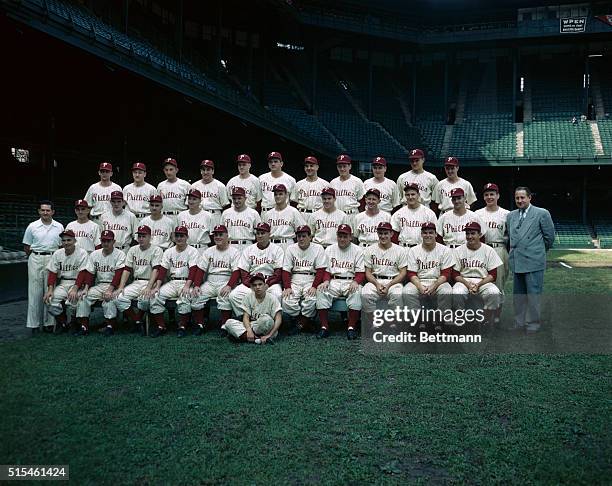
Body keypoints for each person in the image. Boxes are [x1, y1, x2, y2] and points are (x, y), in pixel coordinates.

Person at [507, 186, 555, 333]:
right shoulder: (511, 216)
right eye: (517, 198)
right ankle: (519, 323)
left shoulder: (542, 213)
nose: (520, 200)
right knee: (518, 296)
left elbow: (549, 238)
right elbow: (510, 238)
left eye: (522, 197)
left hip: (534, 261)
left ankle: (533, 324)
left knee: (533, 296)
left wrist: (537, 252)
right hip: (517, 261)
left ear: (529, 198)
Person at [148, 226, 200, 338]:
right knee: (155, 295)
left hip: (186, 281)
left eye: (182, 235)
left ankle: (182, 326)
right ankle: (161, 326)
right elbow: (162, 270)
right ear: (173, 237)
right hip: (172, 282)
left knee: (185, 297)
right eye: (177, 235)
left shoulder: (193, 251)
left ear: (187, 237)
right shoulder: (169, 251)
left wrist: (187, 285)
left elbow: (193, 270)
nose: (179, 238)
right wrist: (157, 286)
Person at [316, 224, 365, 340]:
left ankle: (351, 327)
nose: (342, 239)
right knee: (321, 290)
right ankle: (324, 327)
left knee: (357, 292)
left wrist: (356, 282)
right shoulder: (329, 249)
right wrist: (326, 281)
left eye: (345, 236)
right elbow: (326, 270)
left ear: (350, 237)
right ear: (336, 236)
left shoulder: (358, 250)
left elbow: (361, 272)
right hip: (334, 280)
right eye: (340, 236)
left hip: (350, 281)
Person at [403, 223, 454, 332]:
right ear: (421, 234)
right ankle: (418, 319)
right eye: (425, 233)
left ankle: (440, 320)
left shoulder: (445, 250)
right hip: (419, 281)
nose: (428, 235)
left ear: (436, 234)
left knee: (447, 290)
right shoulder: (413, 250)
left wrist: (434, 286)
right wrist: (420, 287)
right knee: (407, 291)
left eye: (431, 232)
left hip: (438, 281)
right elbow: (411, 273)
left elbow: (446, 273)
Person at [74, 230, 126, 336]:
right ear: (100, 241)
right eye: (103, 240)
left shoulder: (120, 254)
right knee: (83, 297)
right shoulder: (95, 254)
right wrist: (86, 288)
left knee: (110, 298)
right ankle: (84, 326)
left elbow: (119, 274)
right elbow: (90, 273)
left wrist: (111, 289)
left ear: (114, 241)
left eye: (108, 241)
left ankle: (110, 326)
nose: (106, 243)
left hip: (114, 285)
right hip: (100, 284)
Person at [114, 225, 164, 336]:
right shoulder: (133, 249)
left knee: (146, 299)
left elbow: (156, 270)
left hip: (149, 281)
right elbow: (127, 269)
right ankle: (137, 321)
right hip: (136, 282)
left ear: (150, 237)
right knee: (118, 298)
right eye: (139, 236)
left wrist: (149, 287)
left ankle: (148, 322)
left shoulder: (156, 250)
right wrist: (121, 286)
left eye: (144, 236)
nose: (141, 238)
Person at [22, 200, 64, 333]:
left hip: (52, 258)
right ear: (39, 211)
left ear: (53, 212)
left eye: (48, 210)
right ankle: (34, 324)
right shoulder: (32, 226)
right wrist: (35, 255)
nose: (45, 212)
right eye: (43, 210)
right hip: (36, 257)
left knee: (50, 290)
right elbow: (27, 247)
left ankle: (49, 323)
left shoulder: (59, 227)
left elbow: (61, 246)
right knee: (34, 292)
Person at [451, 222, 503, 329]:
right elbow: (455, 274)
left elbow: (493, 275)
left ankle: (485, 320)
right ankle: (461, 320)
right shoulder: (458, 251)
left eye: (473, 233)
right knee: (457, 292)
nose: (470, 236)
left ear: (479, 235)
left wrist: (478, 285)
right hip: (463, 280)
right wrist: (468, 284)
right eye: (467, 233)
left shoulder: (489, 250)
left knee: (494, 293)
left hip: (483, 281)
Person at [191, 225, 241, 333]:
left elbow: (236, 272)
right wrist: (196, 285)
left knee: (226, 296)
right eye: (216, 235)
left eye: (220, 234)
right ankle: (200, 324)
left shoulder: (234, 251)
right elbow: (201, 270)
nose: (218, 237)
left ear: (227, 236)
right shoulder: (209, 251)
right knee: (196, 295)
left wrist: (229, 285)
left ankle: (224, 325)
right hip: (211, 280)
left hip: (226, 280)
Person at [228, 222, 284, 317]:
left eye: (263, 233)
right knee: (234, 295)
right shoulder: (249, 249)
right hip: (252, 282)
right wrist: (251, 285)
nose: (260, 235)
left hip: (270, 282)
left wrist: (267, 284)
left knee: (277, 295)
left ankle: (272, 320)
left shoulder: (277, 249)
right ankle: (247, 318)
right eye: (258, 233)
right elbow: (244, 272)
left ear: (269, 234)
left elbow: (278, 272)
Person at [282, 225, 328, 335]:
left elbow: (321, 270)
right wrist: (287, 287)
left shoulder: (318, 248)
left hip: (311, 278)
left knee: (311, 299)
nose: (301, 239)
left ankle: (300, 324)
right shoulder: (290, 248)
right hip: (295, 277)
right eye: (299, 236)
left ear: (310, 237)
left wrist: (314, 286)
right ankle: (305, 320)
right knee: (287, 301)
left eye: (304, 236)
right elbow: (286, 270)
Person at [475, 183, 510, 323]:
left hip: (499, 248)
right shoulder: (477, 213)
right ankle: (485, 314)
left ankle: (496, 315)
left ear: (498, 195)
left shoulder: (506, 214)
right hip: (482, 249)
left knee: (499, 283)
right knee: (483, 282)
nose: (489, 197)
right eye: (487, 194)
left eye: (492, 194)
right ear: (483, 197)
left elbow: (511, 235)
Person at [43, 229, 89, 333]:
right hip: (64, 283)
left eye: (69, 240)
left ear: (75, 241)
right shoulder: (57, 253)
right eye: (64, 240)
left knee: (73, 301)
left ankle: (73, 322)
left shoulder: (82, 253)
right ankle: (62, 322)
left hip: (77, 283)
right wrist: (50, 289)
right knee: (50, 300)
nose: (66, 243)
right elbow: (53, 272)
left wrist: (75, 288)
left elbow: (83, 273)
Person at [362, 222, 407, 322]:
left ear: (391, 234)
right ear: (377, 234)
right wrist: (377, 284)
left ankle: (394, 323)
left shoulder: (400, 250)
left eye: (386, 233)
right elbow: (368, 272)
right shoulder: (369, 250)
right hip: (375, 280)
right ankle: (373, 322)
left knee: (398, 294)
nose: (383, 236)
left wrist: (389, 285)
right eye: (380, 233)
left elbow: (403, 272)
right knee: (365, 293)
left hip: (394, 282)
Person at [221, 273, 283, 345]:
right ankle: (258, 339)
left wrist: (270, 334)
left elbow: (278, 319)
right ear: (251, 287)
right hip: (254, 325)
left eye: (260, 284)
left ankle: (243, 336)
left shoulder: (272, 298)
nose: (257, 287)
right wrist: (249, 330)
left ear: (264, 285)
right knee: (228, 323)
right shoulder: (248, 297)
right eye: (255, 285)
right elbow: (246, 317)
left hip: (268, 327)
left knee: (266, 319)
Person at [390, 183, 437, 248]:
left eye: (413, 194)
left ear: (418, 195)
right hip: (404, 248)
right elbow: (394, 234)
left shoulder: (429, 213)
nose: (410, 197)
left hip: (422, 248)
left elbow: (434, 235)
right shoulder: (398, 214)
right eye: (407, 195)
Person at [263, 184, 305, 251]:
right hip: (271, 245)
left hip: (287, 244)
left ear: (286, 195)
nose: (278, 196)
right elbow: (264, 234)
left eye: (280, 194)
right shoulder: (268, 214)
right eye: (276, 194)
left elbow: (302, 230)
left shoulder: (293, 211)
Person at [190, 159, 230, 228]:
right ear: (201, 171)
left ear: (213, 171)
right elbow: (190, 205)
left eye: (208, 169)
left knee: (215, 237)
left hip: (215, 215)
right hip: (199, 215)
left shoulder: (220, 186)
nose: (205, 172)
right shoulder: (194, 186)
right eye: (203, 170)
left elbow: (225, 206)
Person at [290, 156, 329, 224]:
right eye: (306, 166)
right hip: (302, 215)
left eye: (311, 166)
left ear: (317, 167)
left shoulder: (325, 184)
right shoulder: (298, 184)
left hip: (319, 214)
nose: (309, 168)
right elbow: (294, 202)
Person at [330, 154, 364, 227]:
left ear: (350, 166)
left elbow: (362, 201)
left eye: (344, 166)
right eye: (340, 166)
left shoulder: (357, 181)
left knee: (353, 237)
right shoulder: (333, 182)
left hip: (352, 215)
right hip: (337, 215)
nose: (342, 169)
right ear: (337, 167)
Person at [259, 151, 297, 218]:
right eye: (271, 162)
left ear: (281, 164)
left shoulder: (290, 180)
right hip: (265, 212)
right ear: (268, 164)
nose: (273, 164)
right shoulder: (261, 178)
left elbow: (293, 201)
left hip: (283, 213)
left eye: (275, 161)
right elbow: (258, 200)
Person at [156, 157, 191, 226]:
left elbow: (190, 205)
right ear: (164, 170)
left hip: (180, 216)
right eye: (166, 170)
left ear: (176, 170)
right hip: (164, 217)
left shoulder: (185, 185)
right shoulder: (160, 185)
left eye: (171, 169)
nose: (168, 172)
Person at [177, 189, 212, 254]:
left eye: (194, 199)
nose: (191, 201)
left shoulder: (208, 216)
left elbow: (212, 236)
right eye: (189, 199)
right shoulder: (181, 215)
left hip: (202, 249)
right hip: (185, 249)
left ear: (200, 200)